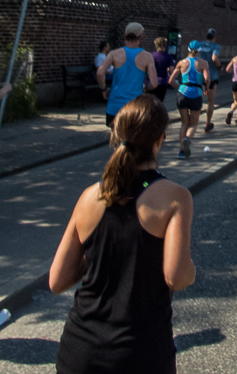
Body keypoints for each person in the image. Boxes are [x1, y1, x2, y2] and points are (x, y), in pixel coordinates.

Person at [50, 95, 195, 374]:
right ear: (159, 140)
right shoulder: (175, 198)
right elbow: (176, 276)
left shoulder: (89, 197)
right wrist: (192, 270)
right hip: (140, 352)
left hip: (79, 351)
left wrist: (102, 257)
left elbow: (57, 280)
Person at [97, 23, 157, 128]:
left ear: (125, 36)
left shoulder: (114, 54)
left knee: (116, 138)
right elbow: (154, 83)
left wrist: (104, 90)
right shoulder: (147, 56)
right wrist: (145, 89)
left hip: (115, 106)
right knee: (132, 140)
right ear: (141, 37)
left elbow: (100, 72)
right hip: (135, 106)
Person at [168, 41, 209, 159]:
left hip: (182, 94)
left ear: (188, 50)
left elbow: (171, 81)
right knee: (194, 123)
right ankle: (187, 138)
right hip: (196, 94)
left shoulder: (181, 63)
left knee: (184, 123)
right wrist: (206, 89)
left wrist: (180, 87)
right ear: (199, 51)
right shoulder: (203, 63)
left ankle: (181, 151)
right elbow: (207, 79)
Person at [196, 30, 221, 133]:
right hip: (212, 76)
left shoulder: (199, 45)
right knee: (210, 101)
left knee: (197, 100)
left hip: (199, 75)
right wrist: (219, 66)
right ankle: (207, 123)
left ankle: (193, 122)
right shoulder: (216, 46)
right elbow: (214, 58)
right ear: (214, 37)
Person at [150, 37, 175, 103]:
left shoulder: (151, 55)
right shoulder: (168, 57)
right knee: (160, 102)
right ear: (165, 45)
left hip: (152, 82)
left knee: (150, 102)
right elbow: (172, 70)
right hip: (162, 82)